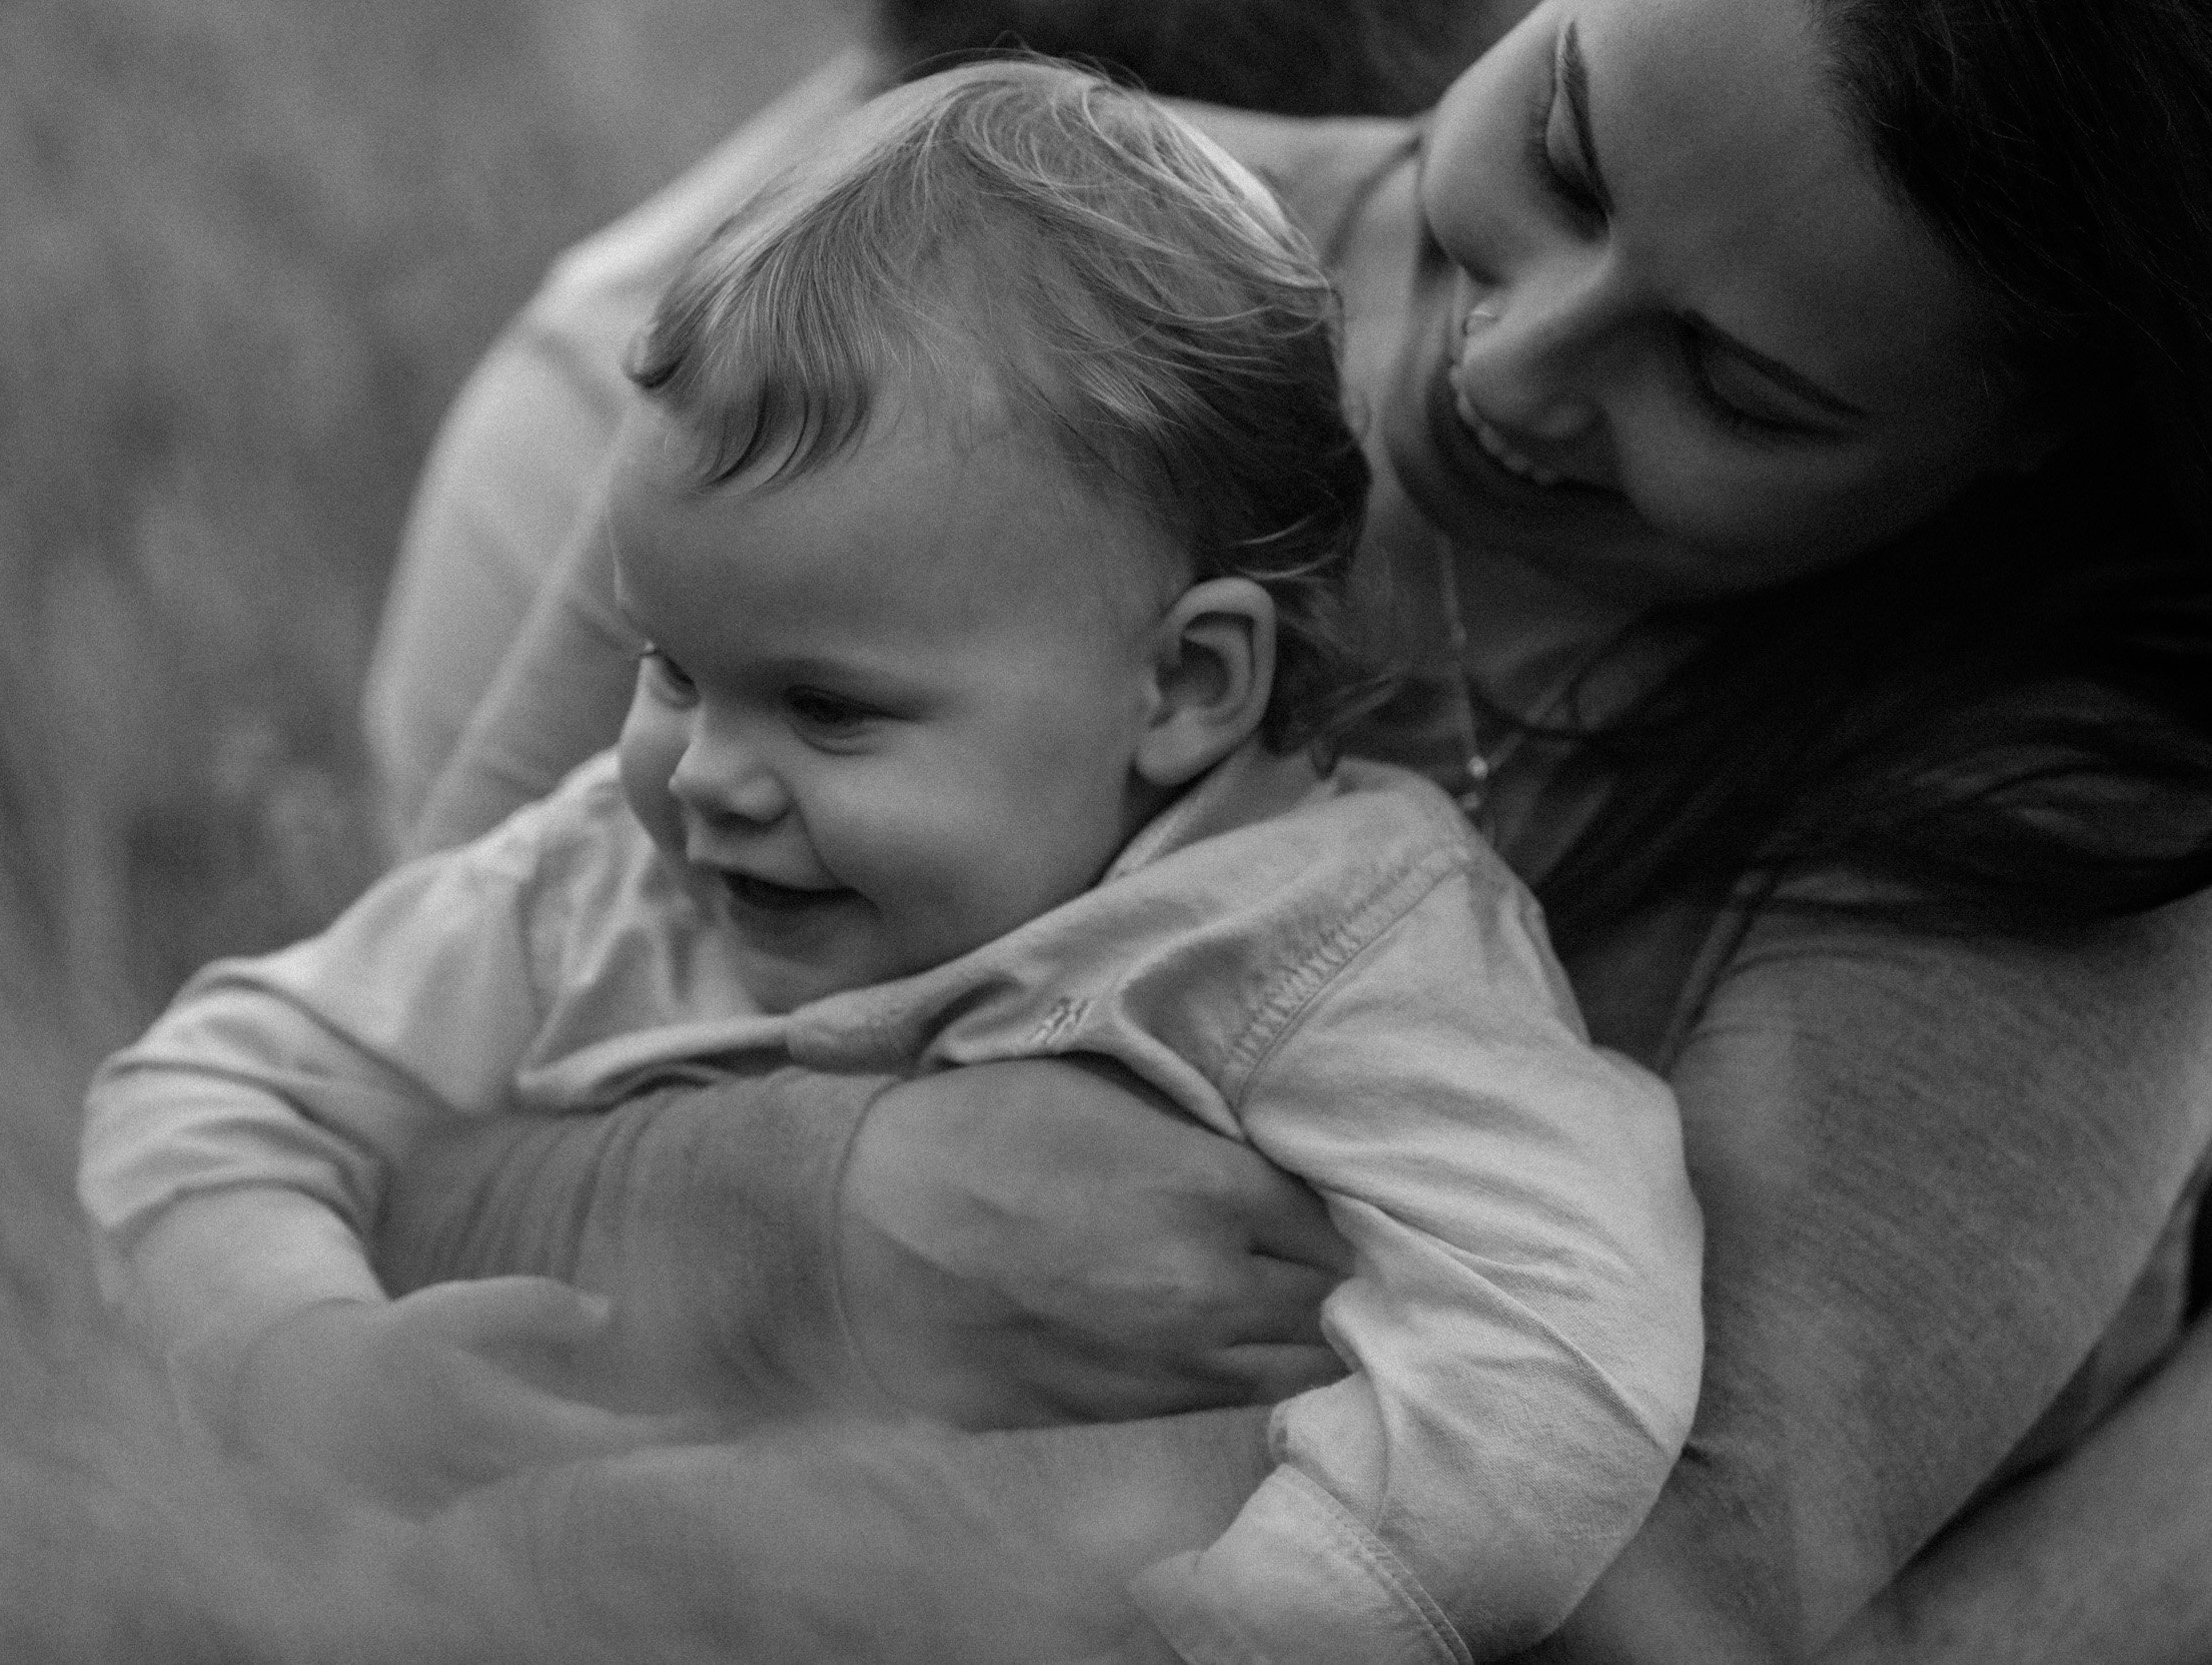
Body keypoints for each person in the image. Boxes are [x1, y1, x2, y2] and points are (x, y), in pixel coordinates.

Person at [354, 0, 2212, 1658]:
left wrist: (666, 1542)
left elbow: (1639, 1584)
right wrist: (797, 1211)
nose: (1508, 370)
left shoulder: (2060, 813)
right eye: (1561, 147)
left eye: (1735, 390)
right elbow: (368, 1129)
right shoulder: (971, 298)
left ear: (2028, 441)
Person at [81, 63, 1701, 1663]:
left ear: (1188, 686)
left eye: (827, 710)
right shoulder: (600, 876)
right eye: (666, 669)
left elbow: (1561, 1327)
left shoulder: (1325, 944)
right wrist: (298, 1352)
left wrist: (1250, 1625)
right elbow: (218, 1087)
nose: (706, 777)